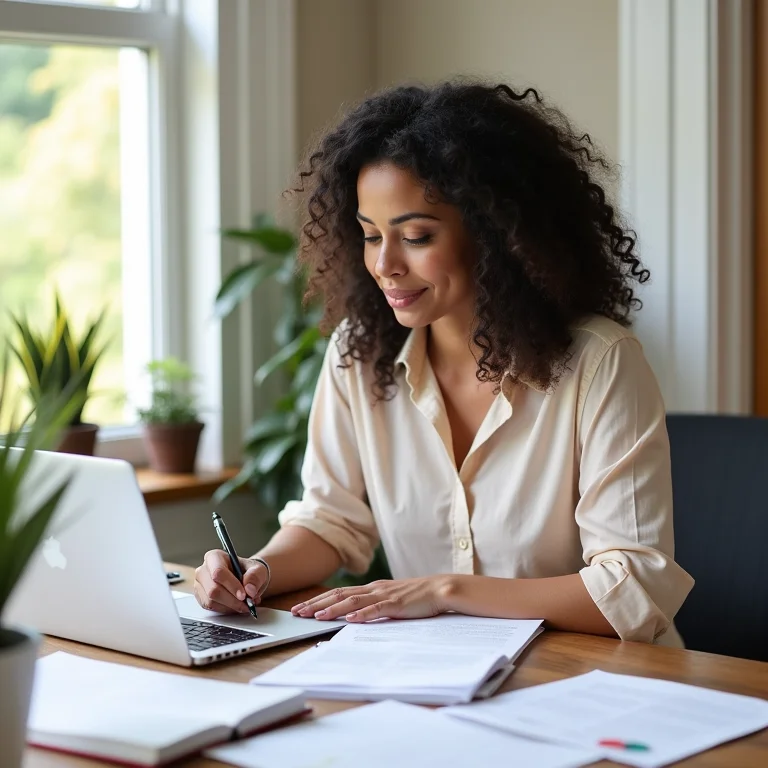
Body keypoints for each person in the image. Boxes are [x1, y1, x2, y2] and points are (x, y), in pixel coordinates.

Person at [195, 80, 694, 646]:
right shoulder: (359, 357)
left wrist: (445, 592)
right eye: (369, 236)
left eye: (415, 235)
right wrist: (256, 570)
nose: (384, 264)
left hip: (595, 683)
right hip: (439, 681)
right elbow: (329, 522)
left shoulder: (599, 365)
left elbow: (632, 589)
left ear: (494, 234)